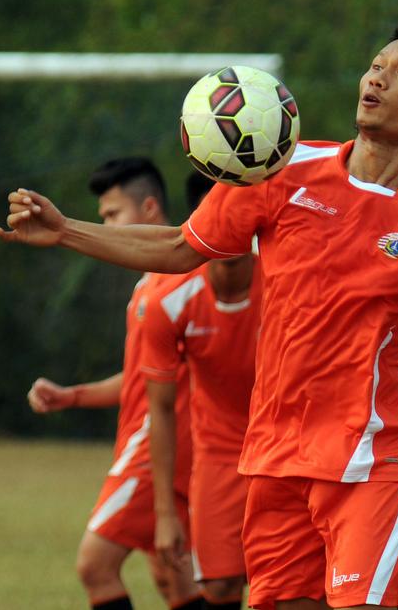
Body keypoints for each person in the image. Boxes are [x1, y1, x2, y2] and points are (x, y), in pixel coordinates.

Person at [0, 22, 398, 609]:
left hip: (367, 461)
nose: (375, 78)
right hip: (274, 457)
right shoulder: (283, 168)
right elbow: (178, 248)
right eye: (376, 65)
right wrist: (66, 231)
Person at [24, 158, 199, 610]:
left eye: (112, 215)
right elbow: (146, 377)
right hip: (157, 448)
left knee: (95, 564)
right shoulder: (151, 286)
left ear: (149, 208)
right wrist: (73, 395)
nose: (105, 225)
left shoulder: (179, 284)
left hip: (155, 450)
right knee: (173, 577)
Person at [142, 172, 260, 609]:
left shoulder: (286, 285)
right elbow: (162, 409)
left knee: (291, 589)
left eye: (238, 217)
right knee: (222, 587)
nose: (228, 230)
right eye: (216, 218)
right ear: (197, 223)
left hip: (288, 450)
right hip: (218, 457)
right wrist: (165, 514)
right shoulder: (169, 302)